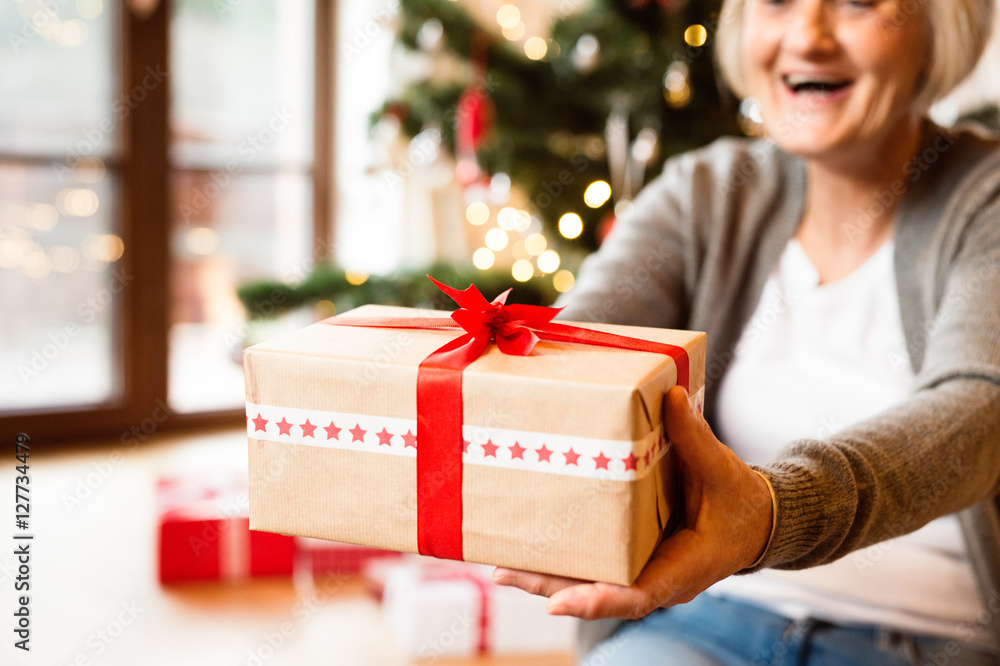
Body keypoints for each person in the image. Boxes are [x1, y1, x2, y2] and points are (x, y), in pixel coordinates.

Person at [491, 0, 1000, 663]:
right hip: (703, 620)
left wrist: (771, 512)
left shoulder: (985, 200)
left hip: (925, 641)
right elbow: (580, 344)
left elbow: (979, 412)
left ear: (936, 28)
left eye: (857, 3)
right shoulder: (705, 192)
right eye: (778, 1)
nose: (807, 36)